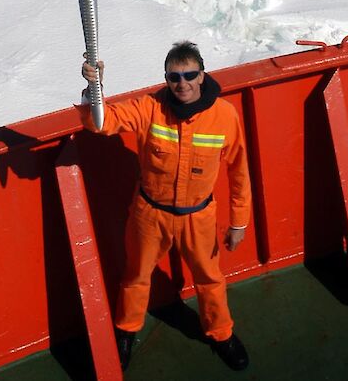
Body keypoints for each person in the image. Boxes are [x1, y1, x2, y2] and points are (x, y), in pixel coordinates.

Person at [76, 41, 252, 371]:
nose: (182, 83)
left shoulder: (225, 116)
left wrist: (239, 222)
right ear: (166, 78)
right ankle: (126, 331)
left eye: (190, 75)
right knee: (136, 276)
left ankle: (221, 333)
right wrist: (93, 87)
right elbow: (101, 123)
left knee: (210, 279)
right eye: (174, 76)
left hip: (198, 217)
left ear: (202, 75)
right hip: (149, 214)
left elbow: (239, 170)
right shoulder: (151, 107)